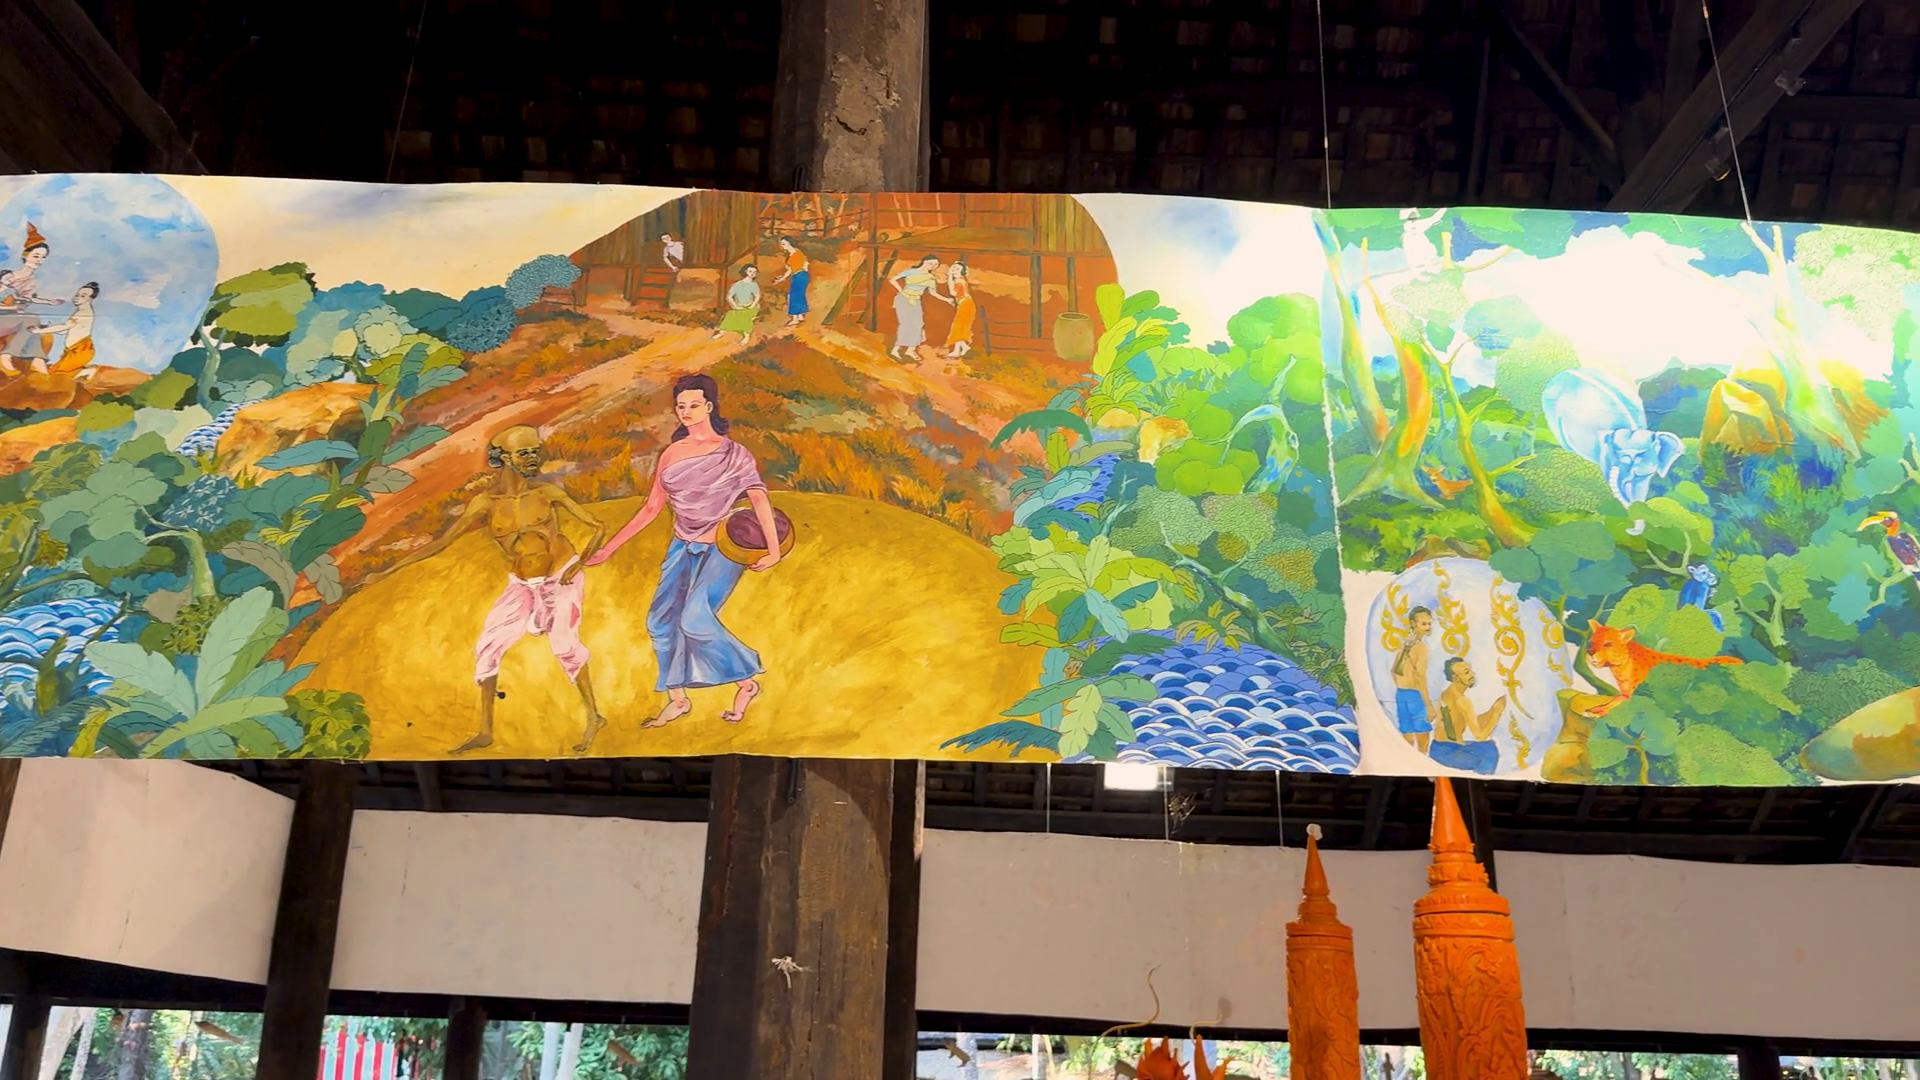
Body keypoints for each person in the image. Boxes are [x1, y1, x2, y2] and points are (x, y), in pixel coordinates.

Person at [361, 425, 611, 756]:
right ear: (504, 457)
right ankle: (485, 732)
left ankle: (594, 716)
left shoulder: (546, 493)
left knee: (564, 645)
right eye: (523, 453)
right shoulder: (485, 503)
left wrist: (579, 566)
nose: (532, 459)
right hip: (522, 585)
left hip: (560, 578)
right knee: (488, 648)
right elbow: (441, 542)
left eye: (535, 452)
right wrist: (385, 572)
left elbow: (599, 527)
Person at [588, 373, 781, 728]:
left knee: (695, 619)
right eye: (681, 406)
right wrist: (609, 549)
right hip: (682, 544)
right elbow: (651, 508)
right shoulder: (672, 454)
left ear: (709, 406)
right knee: (660, 622)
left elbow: (759, 500)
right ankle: (678, 700)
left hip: (722, 549)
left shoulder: (735, 454)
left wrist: (774, 550)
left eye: (694, 405)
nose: (686, 412)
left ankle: (746, 682)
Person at [1430, 656, 1506, 775]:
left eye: (1470, 670)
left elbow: (1470, 721)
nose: (1472, 674)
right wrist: (1497, 713)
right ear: (1455, 678)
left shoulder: (1448, 693)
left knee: (1487, 747)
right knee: (1490, 751)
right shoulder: (1462, 700)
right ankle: (1481, 779)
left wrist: (1492, 710)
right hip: (1448, 753)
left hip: (1438, 748)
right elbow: (1480, 736)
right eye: (1466, 672)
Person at [28, 282, 99, 379]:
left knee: (59, 376)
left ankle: (87, 371)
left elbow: (65, 326)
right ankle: (83, 371)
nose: (77, 297)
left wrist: (39, 331)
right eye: (77, 295)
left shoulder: (84, 313)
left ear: (90, 299)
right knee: (52, 372)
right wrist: (48, 328)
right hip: (72, 351)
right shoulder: (80, 312)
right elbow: (64, 331)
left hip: (80, 350)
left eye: (83, 296)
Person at [888, 254, 951, 361]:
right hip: (903, 300)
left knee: (918, 324)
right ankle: (896, 350)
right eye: (931, 263)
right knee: (906, 324)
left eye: (936, 264)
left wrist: (947, 300)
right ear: (925, 262)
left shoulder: (930, 278)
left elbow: (933, 293)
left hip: (916, 301)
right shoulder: (911, 272)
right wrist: (901, 291)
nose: (933, 266)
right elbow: (893, 280)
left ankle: (910, 350)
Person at [1390, 605, 1435, 753]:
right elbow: (1421, 676)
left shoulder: (1406, 645)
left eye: (1429, 623)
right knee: (1423, 743)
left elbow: (1394, 671)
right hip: (1416, 697)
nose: (1428, 627)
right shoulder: (1422, 648)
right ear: (1413, 624)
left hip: (1401, 695)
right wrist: (1428, 705)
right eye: (1424, 624)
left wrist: (1402, 686)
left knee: (1407, 740)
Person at [712, 264, 760, 345]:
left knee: (746, 317)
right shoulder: (738, 284)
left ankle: (746, 336)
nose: (752, 273)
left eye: (754, 272)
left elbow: (757, 296)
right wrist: (735, 306)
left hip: (750, 306)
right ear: (745, 272)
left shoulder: (754, 284)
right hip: (739, 306)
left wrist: (752, 305)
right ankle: (721, 333)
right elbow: (729, 296)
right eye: (750, 271)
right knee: (730, 315)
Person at [940, 260, 976, 359]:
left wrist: (949, 277)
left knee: (958, 326)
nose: (954, 270)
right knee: (960, 326)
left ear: (962, 271)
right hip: (965, 304)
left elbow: (953, 293)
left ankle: (957, 351)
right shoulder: (959, 280)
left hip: (966, 305)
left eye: (957, 269)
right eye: (954, 268)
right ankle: (964, 347)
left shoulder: (959, 281)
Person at [772, 237, 810, 327]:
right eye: (781, 244)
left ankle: (795, 319)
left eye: (784, 243)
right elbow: (791, 270)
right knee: (799, 295)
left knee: (793, 296)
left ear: (789, 243)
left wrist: (801, 273)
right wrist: (782, 278)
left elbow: (805, 264)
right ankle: (800, 316)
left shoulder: (797, 254)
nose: (782, 246)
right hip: (798, 276)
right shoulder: (792, 254)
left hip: (799, 276)